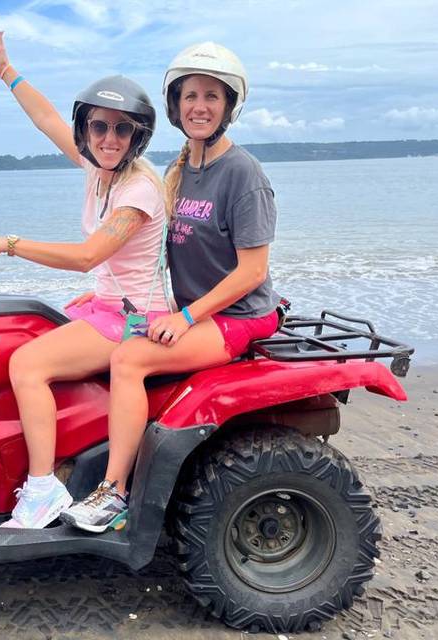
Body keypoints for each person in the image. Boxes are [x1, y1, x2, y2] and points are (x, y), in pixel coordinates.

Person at [60, 42, 282, 533]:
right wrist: (105, 292)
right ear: (175, 105)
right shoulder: (183, 169)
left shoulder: (243, 174)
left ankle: (113, 492)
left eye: (211, 97)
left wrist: (185, 317)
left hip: (239, 316)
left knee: (129, 358)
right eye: (189, 96)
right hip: (196, 310)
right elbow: (157, 254)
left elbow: (251, 272)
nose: (199, 106)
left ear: (229, 107)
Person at [0, 29, 171, 529]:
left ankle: (42, 490)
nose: (108, 138)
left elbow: (87, 255)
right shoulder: (99, 169)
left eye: (122, 130)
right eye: (99, 126)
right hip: (108, 305)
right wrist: (5, 72)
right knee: (23, 328)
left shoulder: (138, 189)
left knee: (28, 364)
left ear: (136, 137)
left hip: (136, 321)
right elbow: (46, 120)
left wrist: (6, 243)